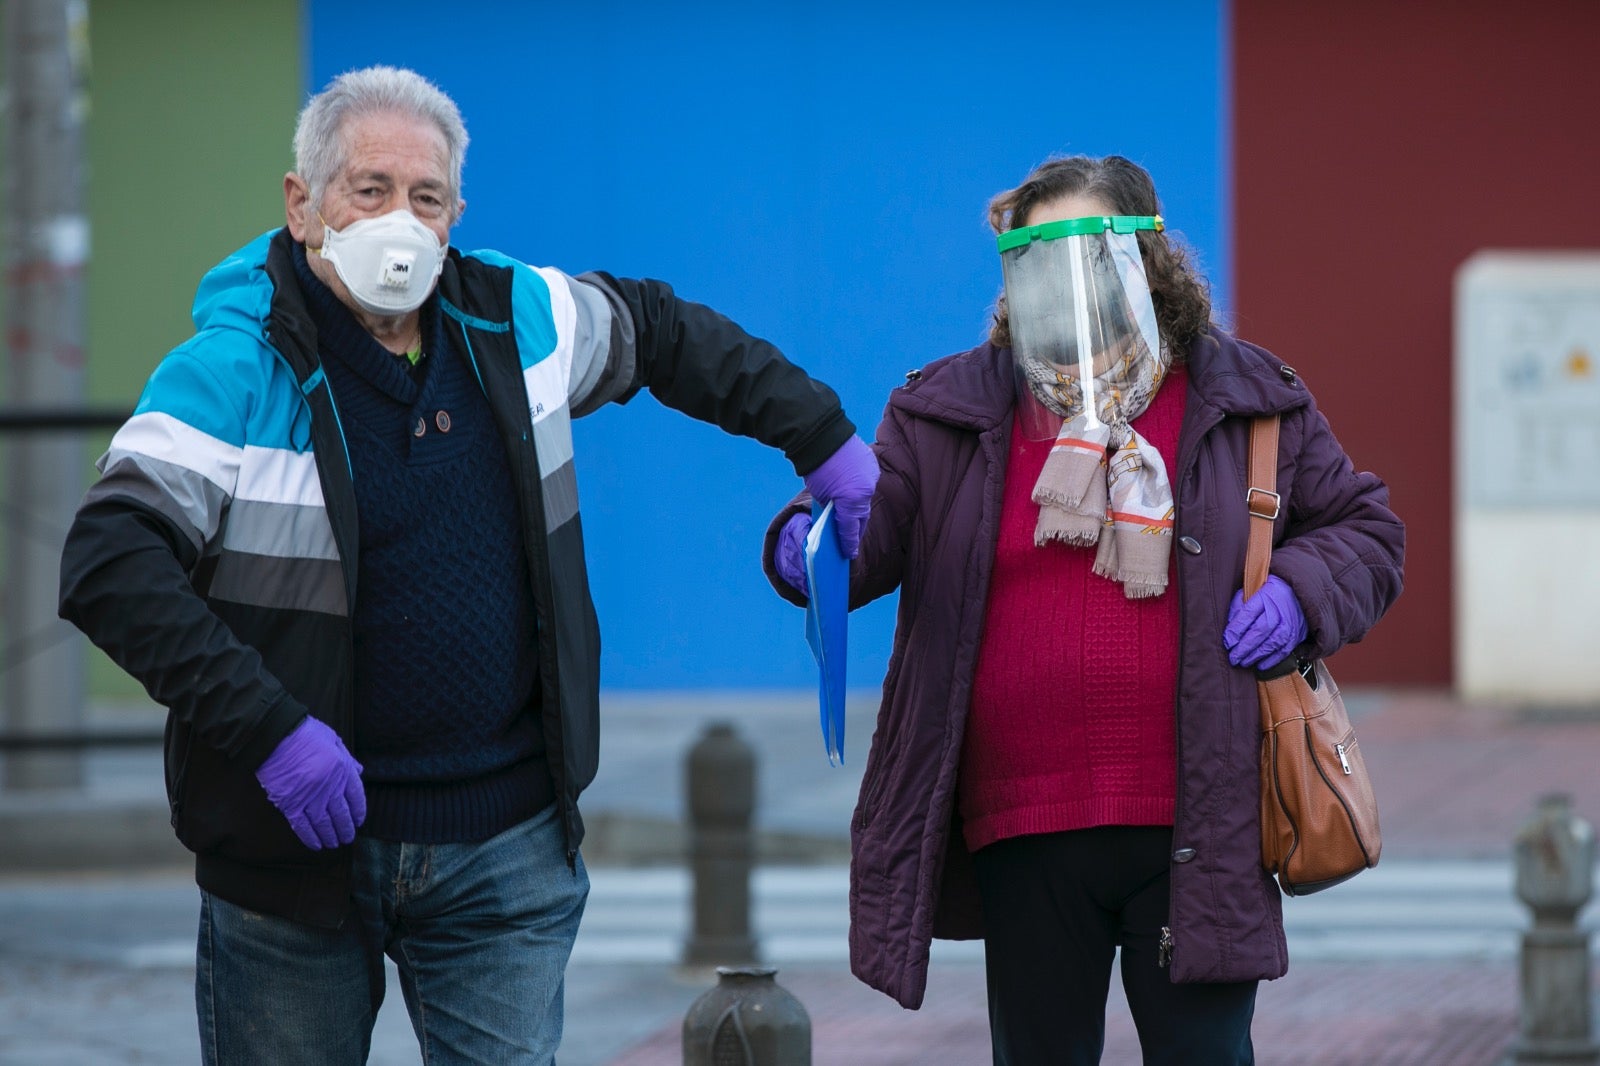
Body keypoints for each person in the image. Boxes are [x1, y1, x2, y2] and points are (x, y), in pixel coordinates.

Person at [58, 65, 878, 1065]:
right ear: (302, 204)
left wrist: (822, 438)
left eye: (425, 196)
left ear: (454, 216)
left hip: (505, 842)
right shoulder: (232, 372)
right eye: (369, 189)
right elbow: (109, 559)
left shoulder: (515, 321)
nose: (398, 220)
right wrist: (271, 733)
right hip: (291, 852)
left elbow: (662, 333)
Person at [764, 154, 1404, 1064]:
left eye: (1088, 257)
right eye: (1038, 261)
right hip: (1023, 826)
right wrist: (809, 541)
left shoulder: (1247, 397)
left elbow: (1365, 531)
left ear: (1148, 261)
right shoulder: (949, 408)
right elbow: (873, 527)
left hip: (1200, 818)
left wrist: (1302, 594)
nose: (1064, 286)